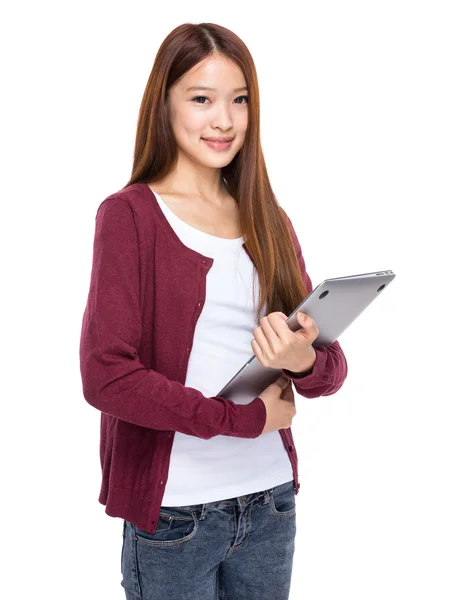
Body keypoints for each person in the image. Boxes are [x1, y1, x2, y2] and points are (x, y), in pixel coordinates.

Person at [79, 22, 348, 600]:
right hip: (175, 515)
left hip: (271, 502)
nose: (223, 120)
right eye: (201, 99)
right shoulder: (130, 217)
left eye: (239, 99)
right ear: (165, 104)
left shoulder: (267, 217)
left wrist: (301, 360)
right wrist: (242, 421)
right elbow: (108, 376)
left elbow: (331, 369)